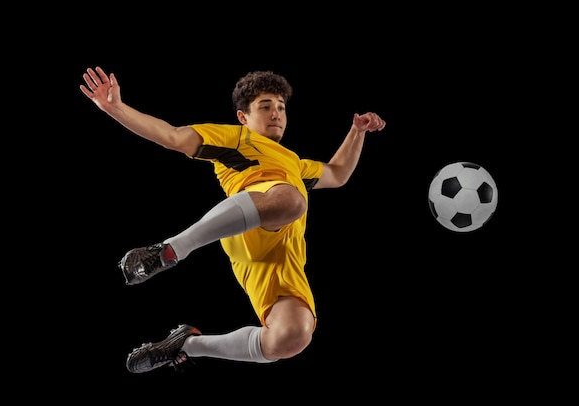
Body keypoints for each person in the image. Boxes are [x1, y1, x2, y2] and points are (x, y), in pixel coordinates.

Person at [80, 66, 386, 373]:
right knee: (292, 200)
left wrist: (357, 131)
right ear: (243, 117)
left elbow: (337, 174)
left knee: (292, 337)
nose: (276, 114)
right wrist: (116, 108)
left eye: (281, 107)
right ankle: (169, 250)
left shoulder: (294, 163)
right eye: (265, 107)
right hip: (249, 229)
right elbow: (171, 135)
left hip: (284, 256)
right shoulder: (236, 138)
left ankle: (187, 345)